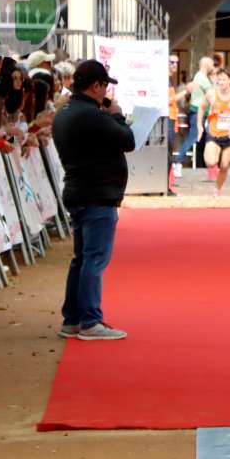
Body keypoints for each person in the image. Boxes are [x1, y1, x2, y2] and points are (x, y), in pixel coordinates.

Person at [53, 60, 136, 341]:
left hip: (79, 189)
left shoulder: (65, 112)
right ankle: (89, 320)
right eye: (104, 86)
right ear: (96, 85)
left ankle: (73, 319)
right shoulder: (92, 115)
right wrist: (117, 115)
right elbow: (127, 139)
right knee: (94, 259)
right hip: (97, 193)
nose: (106, 92)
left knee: (82, 258)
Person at [197, 67, 230, 197]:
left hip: (229, 136)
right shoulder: (211, 94)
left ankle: (217, 189)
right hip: (214, 133)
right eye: (219, 80)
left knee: (224, 165)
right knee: (211, 162)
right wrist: (199, 126)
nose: (221, 82)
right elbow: (201, 108)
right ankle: (215, 172)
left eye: (224, 79)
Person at [181, 57, 214, 172]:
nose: (213, 67)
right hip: (198, 112)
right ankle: (177, 161)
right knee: (193, 137)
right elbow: (212, 94)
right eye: (211, 64)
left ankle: (201, 165)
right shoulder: (202, 78)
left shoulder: (199, 76)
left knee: (198, 139)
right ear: (206, 65)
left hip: (199, 112)